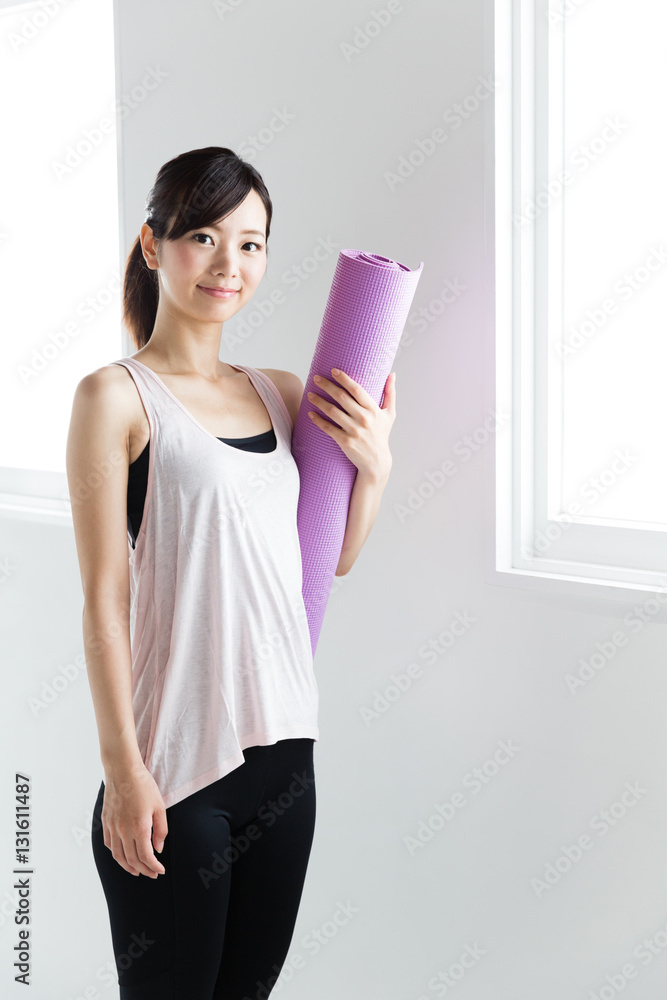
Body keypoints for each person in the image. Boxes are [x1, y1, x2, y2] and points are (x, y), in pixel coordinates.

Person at [66, 145, 396, 999]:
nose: (229, 264)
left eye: (251, 244)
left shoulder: (282, 392)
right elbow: (104, 598)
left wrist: (377, 470)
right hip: (174, 768)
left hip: (286, 760)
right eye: (204, 238)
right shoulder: (116, 397)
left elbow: (326, 563)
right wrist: (123, 771)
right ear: (153, 245)